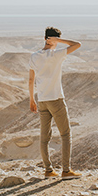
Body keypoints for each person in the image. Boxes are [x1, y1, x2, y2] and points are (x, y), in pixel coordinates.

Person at [29, 26, 82, 179]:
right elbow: (77, 44)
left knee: (44, 137)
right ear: (53, 39)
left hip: (42, 100)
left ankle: (48, 170)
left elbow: (31, 79)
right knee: (65, 134)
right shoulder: (56, 55)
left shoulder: (34, 56)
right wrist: (59, 40)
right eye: (57, 40)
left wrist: (32, 99)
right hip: (56, 99)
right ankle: (66, 171)